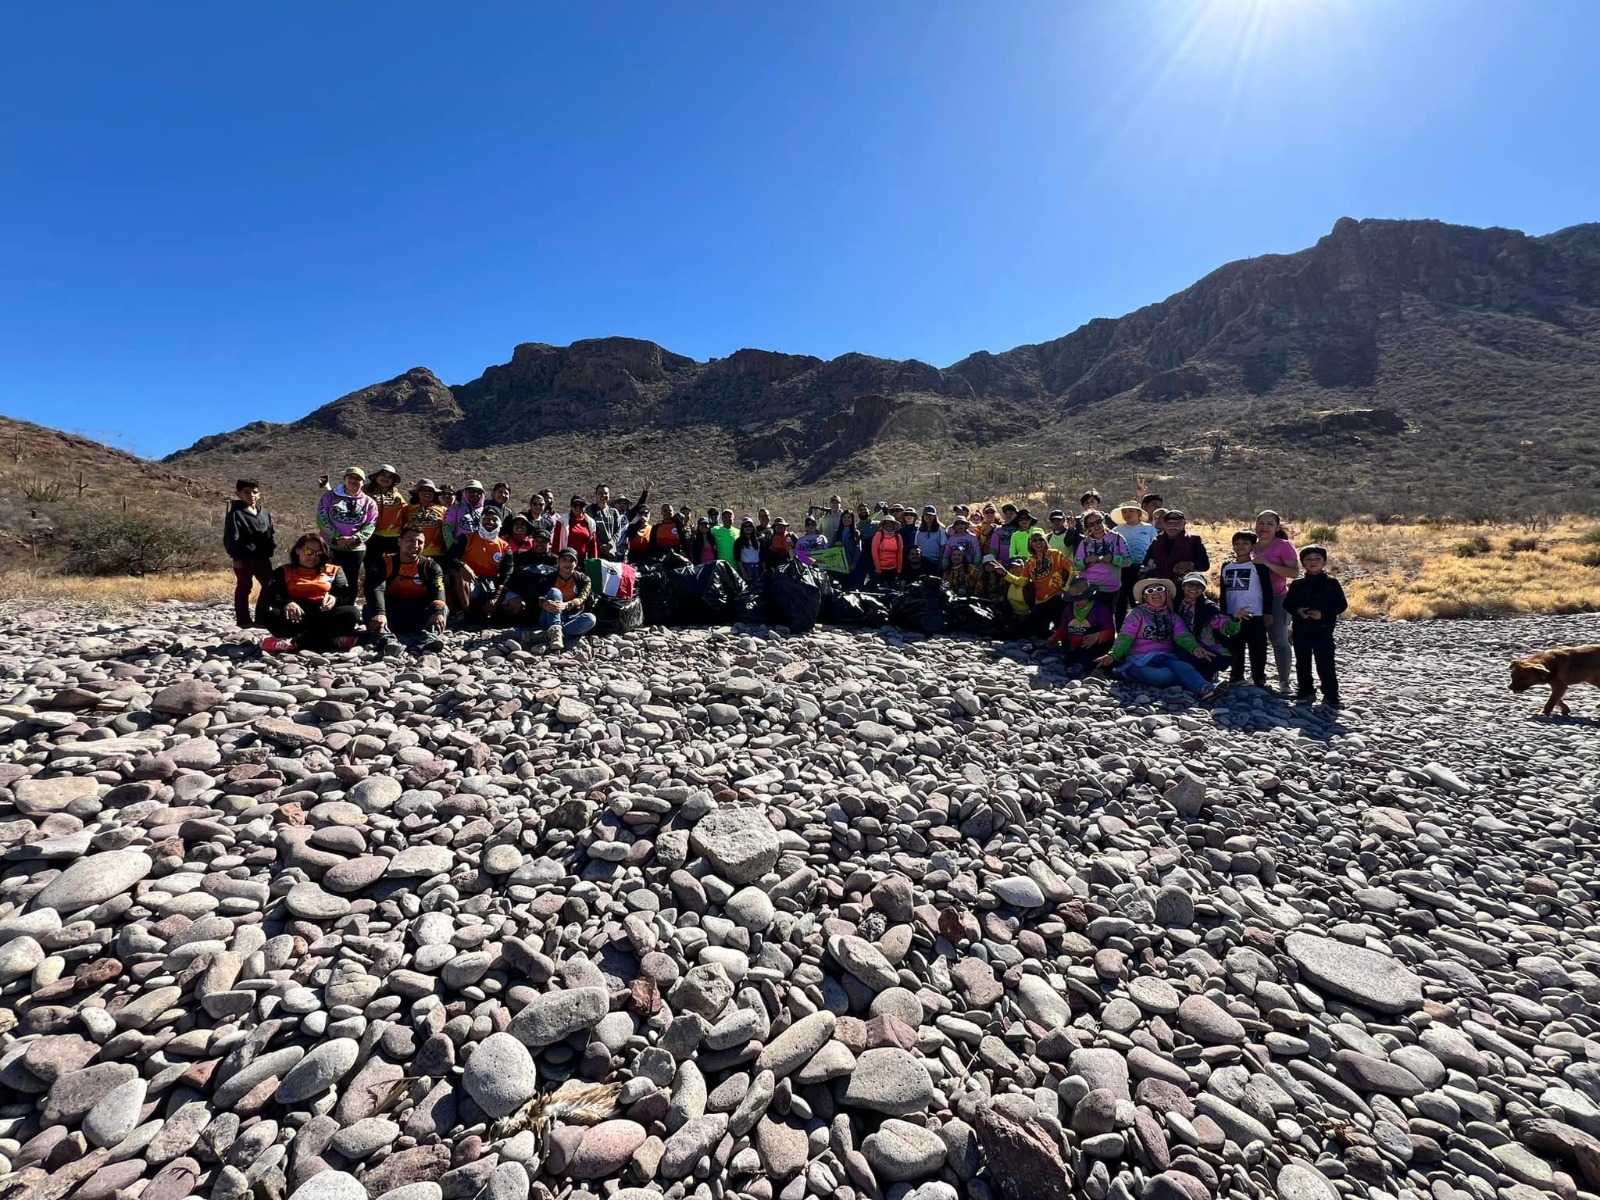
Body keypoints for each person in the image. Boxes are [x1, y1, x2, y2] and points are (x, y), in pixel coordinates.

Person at [1096, 576, 1219, 701]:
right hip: (1139, 659)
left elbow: (1183, 635)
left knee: (1182, 666)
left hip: (1165, 656)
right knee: (1164, 676)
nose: (1155, 593)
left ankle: (1206, 688)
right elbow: (1125, 638)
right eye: (1150, 591)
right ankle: (1132, 673)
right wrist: (1113, 655)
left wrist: (1195, 648)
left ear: (1166, 594)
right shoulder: (1137, 614)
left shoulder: (1172, 616)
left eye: (1159, 589)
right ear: (1144, 597)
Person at [259, 532, 362, 653]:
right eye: (309, 552)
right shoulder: (284, 571)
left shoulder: (334, 570)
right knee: (272, 615)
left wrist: (335, 599)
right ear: (298, 550)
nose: (313, 557)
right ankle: (329, 639)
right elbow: (273, 594)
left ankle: (295, 643)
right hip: (296, 616)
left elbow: (345, 594)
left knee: (351, 613)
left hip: (324, 614)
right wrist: (287, 603)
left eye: (318, 553)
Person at [367, 528, 447, 654]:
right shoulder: (385, 562)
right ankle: (386, 640)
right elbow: (376, 588)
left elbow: (438, 589)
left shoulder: (430, 566)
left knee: (442, 608)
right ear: (399, 542)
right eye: (410, 540)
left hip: (418, 614)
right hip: (391, 614)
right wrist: (380, 612)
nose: (415, 545)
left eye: (419, 542)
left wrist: (438, 613)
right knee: (369, 609)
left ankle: (429, 639)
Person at [1286, 545, 1347, 706]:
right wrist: (1298, 610)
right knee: (1302, 662)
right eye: (1308, 559)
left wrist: (1323, 614)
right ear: (1303, 563)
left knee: (1326, 663)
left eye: (1317, 559)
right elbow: (1288, 604)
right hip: (1301, 630)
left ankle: (1331, 695)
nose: (1313, 562)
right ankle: (1306, 691)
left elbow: (1341, 605)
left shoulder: (1331, 583)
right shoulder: (1297, 584)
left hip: (1323, 630)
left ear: (1324, 562)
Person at [1253, 509, 1301, 692]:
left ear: (1277, 526)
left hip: (1277, 597)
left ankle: (1284, 681)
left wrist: (1268, 564)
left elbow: (1294, 573)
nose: (1264, 527)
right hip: (1253, 599)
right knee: (1255, 639)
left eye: (1269, 524)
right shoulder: (1251, 544)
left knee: (1278, 640)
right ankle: (1257, 676)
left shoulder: (1283, 545)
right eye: (1261, 523)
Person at [1220, 530, 1274, 689]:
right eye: (1237, 543)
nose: (1240, 546)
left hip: (1255, 614)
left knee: (1257, 648)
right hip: (1233, 614)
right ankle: (1236, 676)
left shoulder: (1258, 566)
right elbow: (1224, 591)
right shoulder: (1226, 565)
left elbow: (1267, 589)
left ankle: (1259, 677)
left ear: (1252, 546)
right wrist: (1223, 613)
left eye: (1245, 543)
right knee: (1235, 646)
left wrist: (1268, 612)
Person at [991, 531, 1072, 634]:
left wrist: (1065, 589)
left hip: (1056, 598)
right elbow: (1022, 582)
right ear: (1031, 544)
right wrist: (1005, 573)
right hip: (1040, 602)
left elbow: (1072, 570)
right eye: (1034, 540)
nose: (1038, 542)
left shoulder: (1056, 554)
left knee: (1062, 630)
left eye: (1041, 539)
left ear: (1045, 541)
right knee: (1038, 634)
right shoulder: (1030, 562)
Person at [223, 478, 275, 629]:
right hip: (244, 557)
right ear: (238, 494)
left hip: (263, 557)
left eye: (254, 492)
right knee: (244, 587)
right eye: (246, 492)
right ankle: (243, 620)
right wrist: (236, 557)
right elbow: (232, 536)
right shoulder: (235, 513)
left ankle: (261, 617)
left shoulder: (264, 512)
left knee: (270, 585)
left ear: (259, 494)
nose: (251, 495)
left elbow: (270, 532)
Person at [1037, 578, 1116, 677]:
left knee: (1086, 654)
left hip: (1094, 646)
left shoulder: (1100, 609)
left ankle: (1084, 666)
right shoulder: (1068, 610)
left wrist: (1097, 636)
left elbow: (1110, 631)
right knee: (1069, 659)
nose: (1077, 602)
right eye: (1075, 600)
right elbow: (1063, 629)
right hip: (1074, 645)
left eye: (1080, 599)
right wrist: (1051, 640)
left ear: (1088, 596)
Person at [316, 467, 378, 584]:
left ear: (363, 482)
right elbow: (321, 518)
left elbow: (371, 523)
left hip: (355, 548)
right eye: (350, 477)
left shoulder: (369, 502)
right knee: (327, 579)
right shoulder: (329, 497)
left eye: (358, 479)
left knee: (351, 580)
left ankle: (348, 602)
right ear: (344, 479)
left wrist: (354, 538)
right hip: (330, 545)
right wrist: (337, 536)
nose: (353, 481)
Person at [449, 508, 509, 622]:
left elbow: (507, 573)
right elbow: (450, 557)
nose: (489, 522)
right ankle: (466, 615)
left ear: (499, 523)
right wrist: (462, 565)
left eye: (494, 520)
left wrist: (497, 597)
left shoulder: (505, 546)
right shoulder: (466, 538)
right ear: (480, 521)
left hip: (491, 585)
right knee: (455, 573)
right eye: (486, 518)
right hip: (470, 581)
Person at [1174, 572, 1236, 681]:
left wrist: (1235, 620)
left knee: (1183, 656)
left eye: (1198, 586)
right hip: (1185, 643)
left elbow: (1227, 628)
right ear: (1183, 586)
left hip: (1209, 649)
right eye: (1190, 584)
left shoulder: (1209, 609)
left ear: (1203, 589)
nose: (1193, 588)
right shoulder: (1176, 603)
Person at [492, 526, 559, 624]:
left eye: (543, 541)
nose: (539, 544)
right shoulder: (519, 557)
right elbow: (508, 577)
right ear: (533, 542)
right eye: (537, 541)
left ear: (550, 544)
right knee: (517, 606)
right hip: (520, 594)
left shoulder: (556, 560)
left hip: (543, 598)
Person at [537, 549, 598, 651]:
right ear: (558, 561)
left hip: (571, 617)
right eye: (564, 560)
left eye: (571, 560)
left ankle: (548, 635)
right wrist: (544, 603)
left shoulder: (583, 579)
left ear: (576, 563)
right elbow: (537, 596)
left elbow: (582, 598)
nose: (567, 563)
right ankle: (555, 630)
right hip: (550, 616)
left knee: (591, 619)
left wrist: (566, 605)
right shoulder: (548, 578)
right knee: (554, 592)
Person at [1073, 511, 1130, 611]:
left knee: (1107, 620)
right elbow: (1077, 565)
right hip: (1089, 588)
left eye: (1098, 521)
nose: (1096, 526)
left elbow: (1128, 561)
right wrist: (1086, 560)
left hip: (1111, 589)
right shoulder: (1085, 543)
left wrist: (1113, 559)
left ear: (1103, 521)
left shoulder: (1117, 538)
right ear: (1087, 527)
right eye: (1091, 524)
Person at [1112, 502, 1157, 625]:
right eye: (1124, 512)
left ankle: (1142, 631)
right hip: (1121, 569)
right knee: (1120, 601)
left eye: (1131, 511)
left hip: (1142, 570)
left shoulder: (1149, 528)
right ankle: (1120, 631)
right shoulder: (1116, 530)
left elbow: (1155, 548)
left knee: (1139, 601)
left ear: (1138, 513)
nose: (1127, 514)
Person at [1143, 510, 1210, 586]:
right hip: (1160, 588)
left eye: (1177, 523)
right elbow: (1145, 564)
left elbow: (1205, 565)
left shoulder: (1193, 541)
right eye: (1169, 523)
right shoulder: (1156, 541)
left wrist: (1191, 565)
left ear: (1184, 524)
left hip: (1184, 588)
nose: (1173, 526)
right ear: (1164, 524)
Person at [365, 465, 408, 585]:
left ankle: (391, 594)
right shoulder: (365, 491)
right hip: (373, 536)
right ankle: (372, 598)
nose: (386, 478)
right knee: (372, 568)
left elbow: (405, 511)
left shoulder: (396, 494)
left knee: (393, 568)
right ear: (376, 476)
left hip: (394, 537)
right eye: (383, 474)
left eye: (390, 477)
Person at [402, 479, 448, 558]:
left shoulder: (444, 510)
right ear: (417, 493)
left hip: (438, 553)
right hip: (414, 552)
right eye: (424, 490)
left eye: (430, 490)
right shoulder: (408, 509)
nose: (427, 492)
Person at [553, 495, 598, 560]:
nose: (578, 507)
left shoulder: (590, 522)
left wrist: (594, 561)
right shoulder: (562, 521)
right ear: (571, 506)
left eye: (581, 505)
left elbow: (593, 544)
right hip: (566, 560)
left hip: (582, 560)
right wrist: (555, 559)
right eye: (575, 504)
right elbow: (556, 542)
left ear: (584, 507)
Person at [588, 484, 625, 559]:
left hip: (611, 551)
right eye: (600, 493)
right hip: (595, 552)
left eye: (605, 493)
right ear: (596, 495)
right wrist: (601, 546)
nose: (603, 495)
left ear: (609, 495)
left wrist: (610, 544)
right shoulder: (590, 510)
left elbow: (618, 531)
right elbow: (590, 531)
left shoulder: (614, 512)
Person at [869, 514, 905, 587]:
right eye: (886, 523)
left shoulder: (898, 537)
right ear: (883, 525)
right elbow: (874, 552)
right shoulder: (878, 535)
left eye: (890, 523)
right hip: (880, 570)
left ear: (893, 525)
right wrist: (878, 569)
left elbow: (899, 554)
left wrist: (899, 570)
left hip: (893, 569)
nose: (888, 525)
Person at [914, 507, 946, 576]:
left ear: (934, 517)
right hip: (921, 562)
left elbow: (942, 547)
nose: (928, 517)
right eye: (926, 515)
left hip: (934, 562)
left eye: (930, 515)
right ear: (923, 516)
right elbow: (916, 546)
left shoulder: (940, 530)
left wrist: (940, 565)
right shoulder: (919, 530)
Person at [734, 518, 763, 583]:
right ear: (742, 528)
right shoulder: (739, 541)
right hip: (746, 567)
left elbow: (762, 555)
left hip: (757, 567)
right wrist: (743, 572)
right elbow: (737, 558)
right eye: (745, 526)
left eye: (750, 526)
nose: (748, 528)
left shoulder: (758, 540)